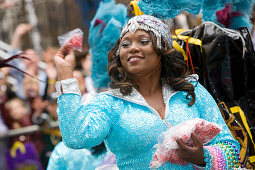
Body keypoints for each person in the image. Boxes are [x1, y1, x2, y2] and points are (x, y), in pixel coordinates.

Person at [54, 15, 240, 169]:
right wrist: (64, 74)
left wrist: (202, 157)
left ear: (162, 51)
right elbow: (75, 137)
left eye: (143, 41)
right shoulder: (109, 103)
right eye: (125, 44)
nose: (132, 48)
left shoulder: (191, 92)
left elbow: (230, 147)